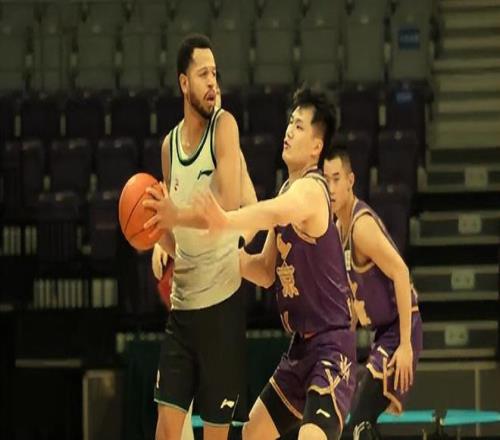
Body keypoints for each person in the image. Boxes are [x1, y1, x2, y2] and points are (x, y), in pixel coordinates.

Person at [192, 86, 357, 440]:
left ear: (316, 147)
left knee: (310, 437)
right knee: (252, 435)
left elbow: (274, 212)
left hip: (331, 348)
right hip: (300, 349)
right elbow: (267, 272)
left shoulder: (311, 190)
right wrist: (225, 259)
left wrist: (225, 220)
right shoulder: (287, 190)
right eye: (289, 123)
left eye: (299, 126)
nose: (288, 131)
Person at [143, 33, 255, 440]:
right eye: (203, 74)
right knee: (166, 431)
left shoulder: (225, 126)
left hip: (221, 308)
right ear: (183, 82)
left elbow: (225, 204)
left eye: (215, 74)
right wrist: (159, 239)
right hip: (183, 308)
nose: (213, 83)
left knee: (215, 435)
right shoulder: (168, 146)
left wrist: (175, 215)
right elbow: (176, 231)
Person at [323, 148, 423, 439]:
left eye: (336, 179)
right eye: (326, 180)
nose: (331, 188)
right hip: (381, 333)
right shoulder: (338, 229)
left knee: (359, 424)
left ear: (350, 180)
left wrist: (405, 345)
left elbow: (401, 272)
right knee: (359, 423)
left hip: (400, 328)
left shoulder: (361, 227)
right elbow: (351, 297)